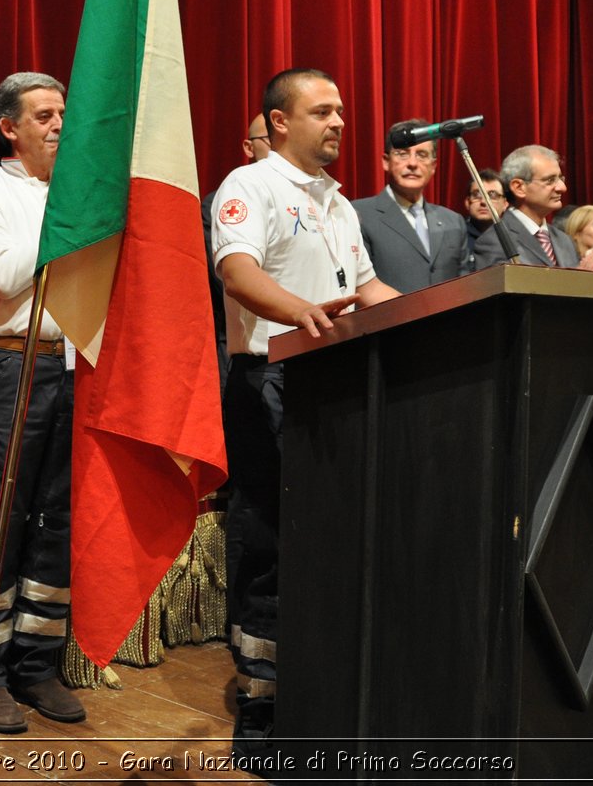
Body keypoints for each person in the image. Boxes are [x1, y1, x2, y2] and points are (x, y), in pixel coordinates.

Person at [211, 68, 401, 750]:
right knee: (270, 540)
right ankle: (261, 711)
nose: (340, 122)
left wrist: (430, 312)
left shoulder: (338, 202)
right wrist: (302, 315)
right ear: (279, 121)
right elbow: (238, 271)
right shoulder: (250, 185)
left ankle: (322, 684)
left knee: (331, 537)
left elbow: (369, 285)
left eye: (342, 111)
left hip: (336, 378)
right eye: (323, 110)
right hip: (269, 376)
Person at [0, 72, 85, 733]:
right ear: (11, 127)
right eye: (44, 114)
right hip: (8, 366)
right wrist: (67, 222)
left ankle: (38, 664)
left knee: (55, 517)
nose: (59, 124)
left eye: (63, 112)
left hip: (70, 367)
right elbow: (3, 276)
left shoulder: (77, 191)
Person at [354, 119, 467, 293]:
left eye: (422, 155)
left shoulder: (453, 221)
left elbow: (466, 286)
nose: (413, 163)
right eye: (403, 154)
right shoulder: (360, 215)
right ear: (386, 161)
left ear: (434, 166)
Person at [206, 115, 271, 389]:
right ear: (248, 147)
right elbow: (226, 278)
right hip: (252, 353)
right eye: (270, 141)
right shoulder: (229, 197)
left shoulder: (323, 195)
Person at [472, 145, 580, 269]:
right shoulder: (494, 241)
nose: (562, 188)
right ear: (519, 187)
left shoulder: (564, 240)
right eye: (550, 180)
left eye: (560, 178)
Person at [462, 168, 507, 271]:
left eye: (492, 195)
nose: (483, 202)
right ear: (467, 202)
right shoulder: (457, 237)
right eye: (477, 195)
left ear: (505, 204)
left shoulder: (512, 238)